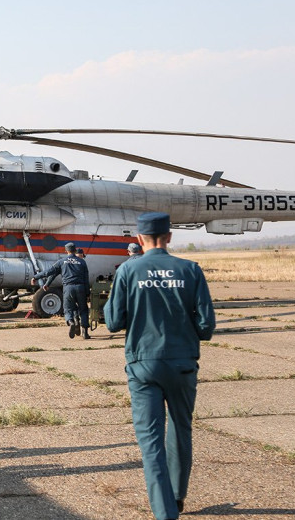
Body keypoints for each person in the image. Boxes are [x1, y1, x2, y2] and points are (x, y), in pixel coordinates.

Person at [104, 212, 216, 520]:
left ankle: (165, 512)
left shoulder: (128, 270)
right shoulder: (190, 269)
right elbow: (206, 326)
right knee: (181, 429)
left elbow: (113, 321)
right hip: (182, 363)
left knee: (151, 440)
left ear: (139, 239)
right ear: (169, 237)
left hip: (143, 364)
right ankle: (178, 495)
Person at [30, 242, 90, 339]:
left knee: (68, 308)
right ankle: (85, 333)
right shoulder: (82, 262)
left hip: (68, 288)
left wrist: (36, 277)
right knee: (83, 310)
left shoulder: (62, 262)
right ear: (75, 250)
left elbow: (49, 272)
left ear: (66, 251)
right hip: (81, 288)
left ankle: (70, 322)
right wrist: (87, 293)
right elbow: (86, 279)